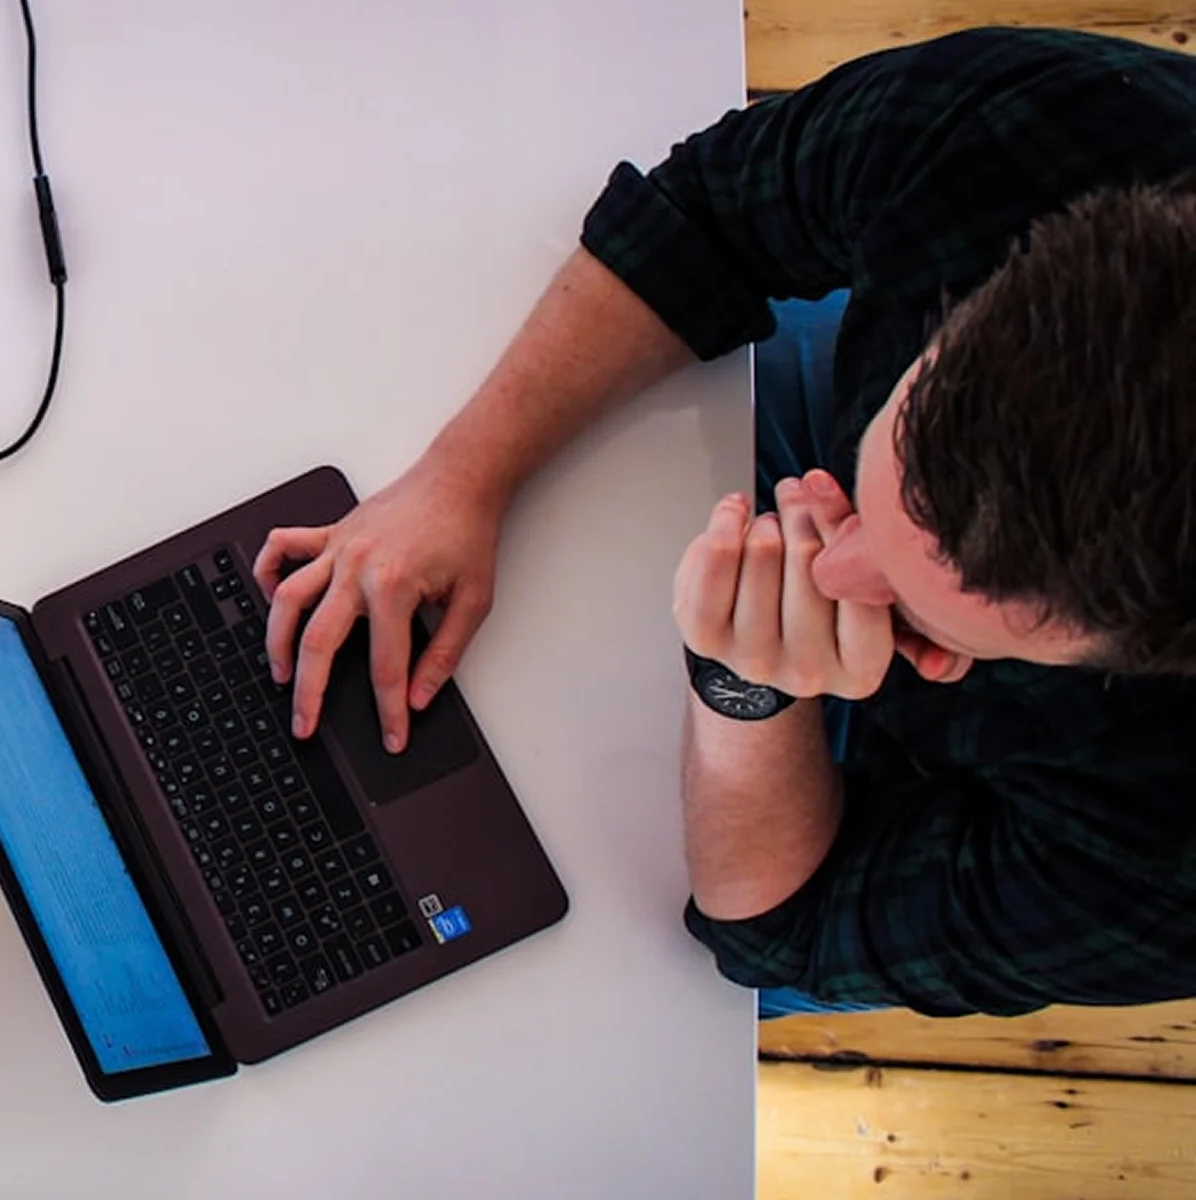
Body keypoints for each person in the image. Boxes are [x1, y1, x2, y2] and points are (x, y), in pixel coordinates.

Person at [256, 27, 1196, 1018]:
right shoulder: (1042, 129)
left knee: (641, 995)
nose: (827, 568)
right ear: (972, 305)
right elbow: (702, 219)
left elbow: (784, 934)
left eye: (933, 626)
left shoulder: (1166, 867)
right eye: (894, 460)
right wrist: (458, 479)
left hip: (933, 819)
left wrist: (746, 691)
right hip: (838, 391)